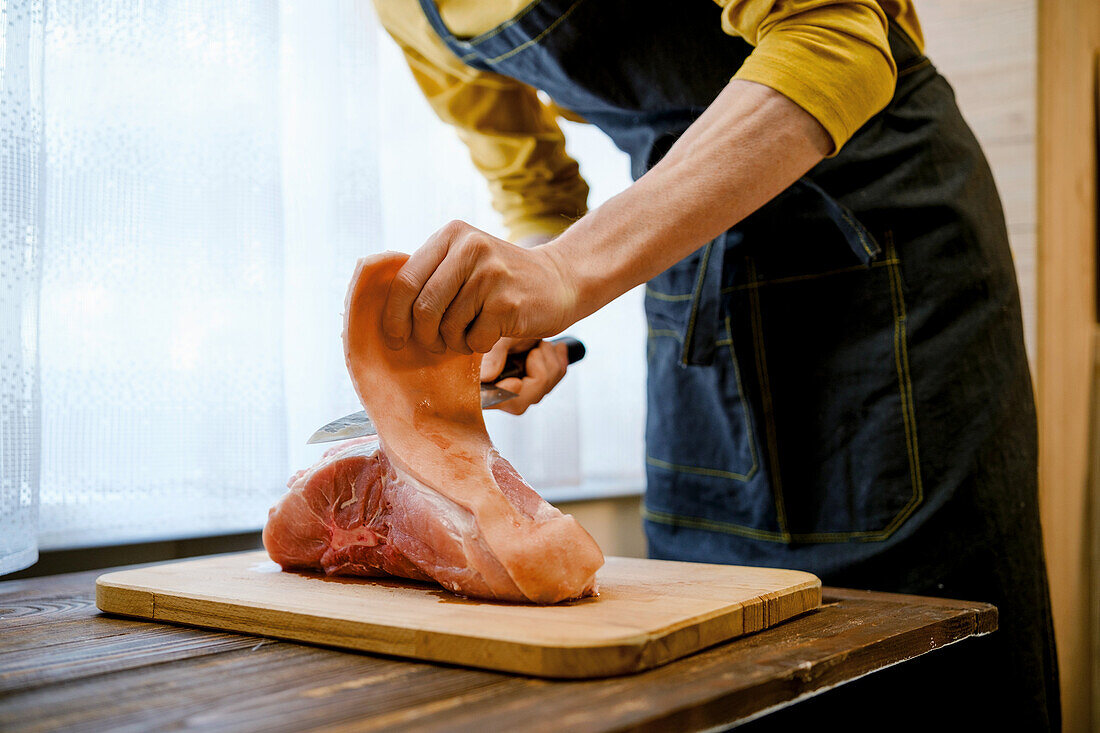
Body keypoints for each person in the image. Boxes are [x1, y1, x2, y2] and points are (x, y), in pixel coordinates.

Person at [370, 1, 1060, 728]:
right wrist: (529, 303)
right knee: (711, 662)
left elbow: (835, 35)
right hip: (693, 281)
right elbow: (534, 191)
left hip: (882, 243)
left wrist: (566, 271)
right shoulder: (401, 10)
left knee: (933, 674)